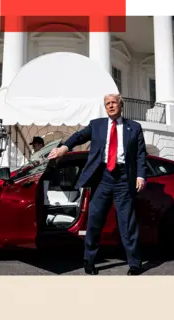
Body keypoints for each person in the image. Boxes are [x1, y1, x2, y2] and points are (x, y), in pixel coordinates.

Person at [47, 93, 148, 276]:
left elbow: (141, 154)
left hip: (124, 180)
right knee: (94, 220)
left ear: (121, 105)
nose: (110, 106)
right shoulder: (97, 125)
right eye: (107, 103)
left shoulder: (134, 127)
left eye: (113, 103)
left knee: (127, 223)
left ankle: (134, 263)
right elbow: (79, 136)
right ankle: (89, 260)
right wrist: (64, 147)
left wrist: (140, 176)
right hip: (103, 178)